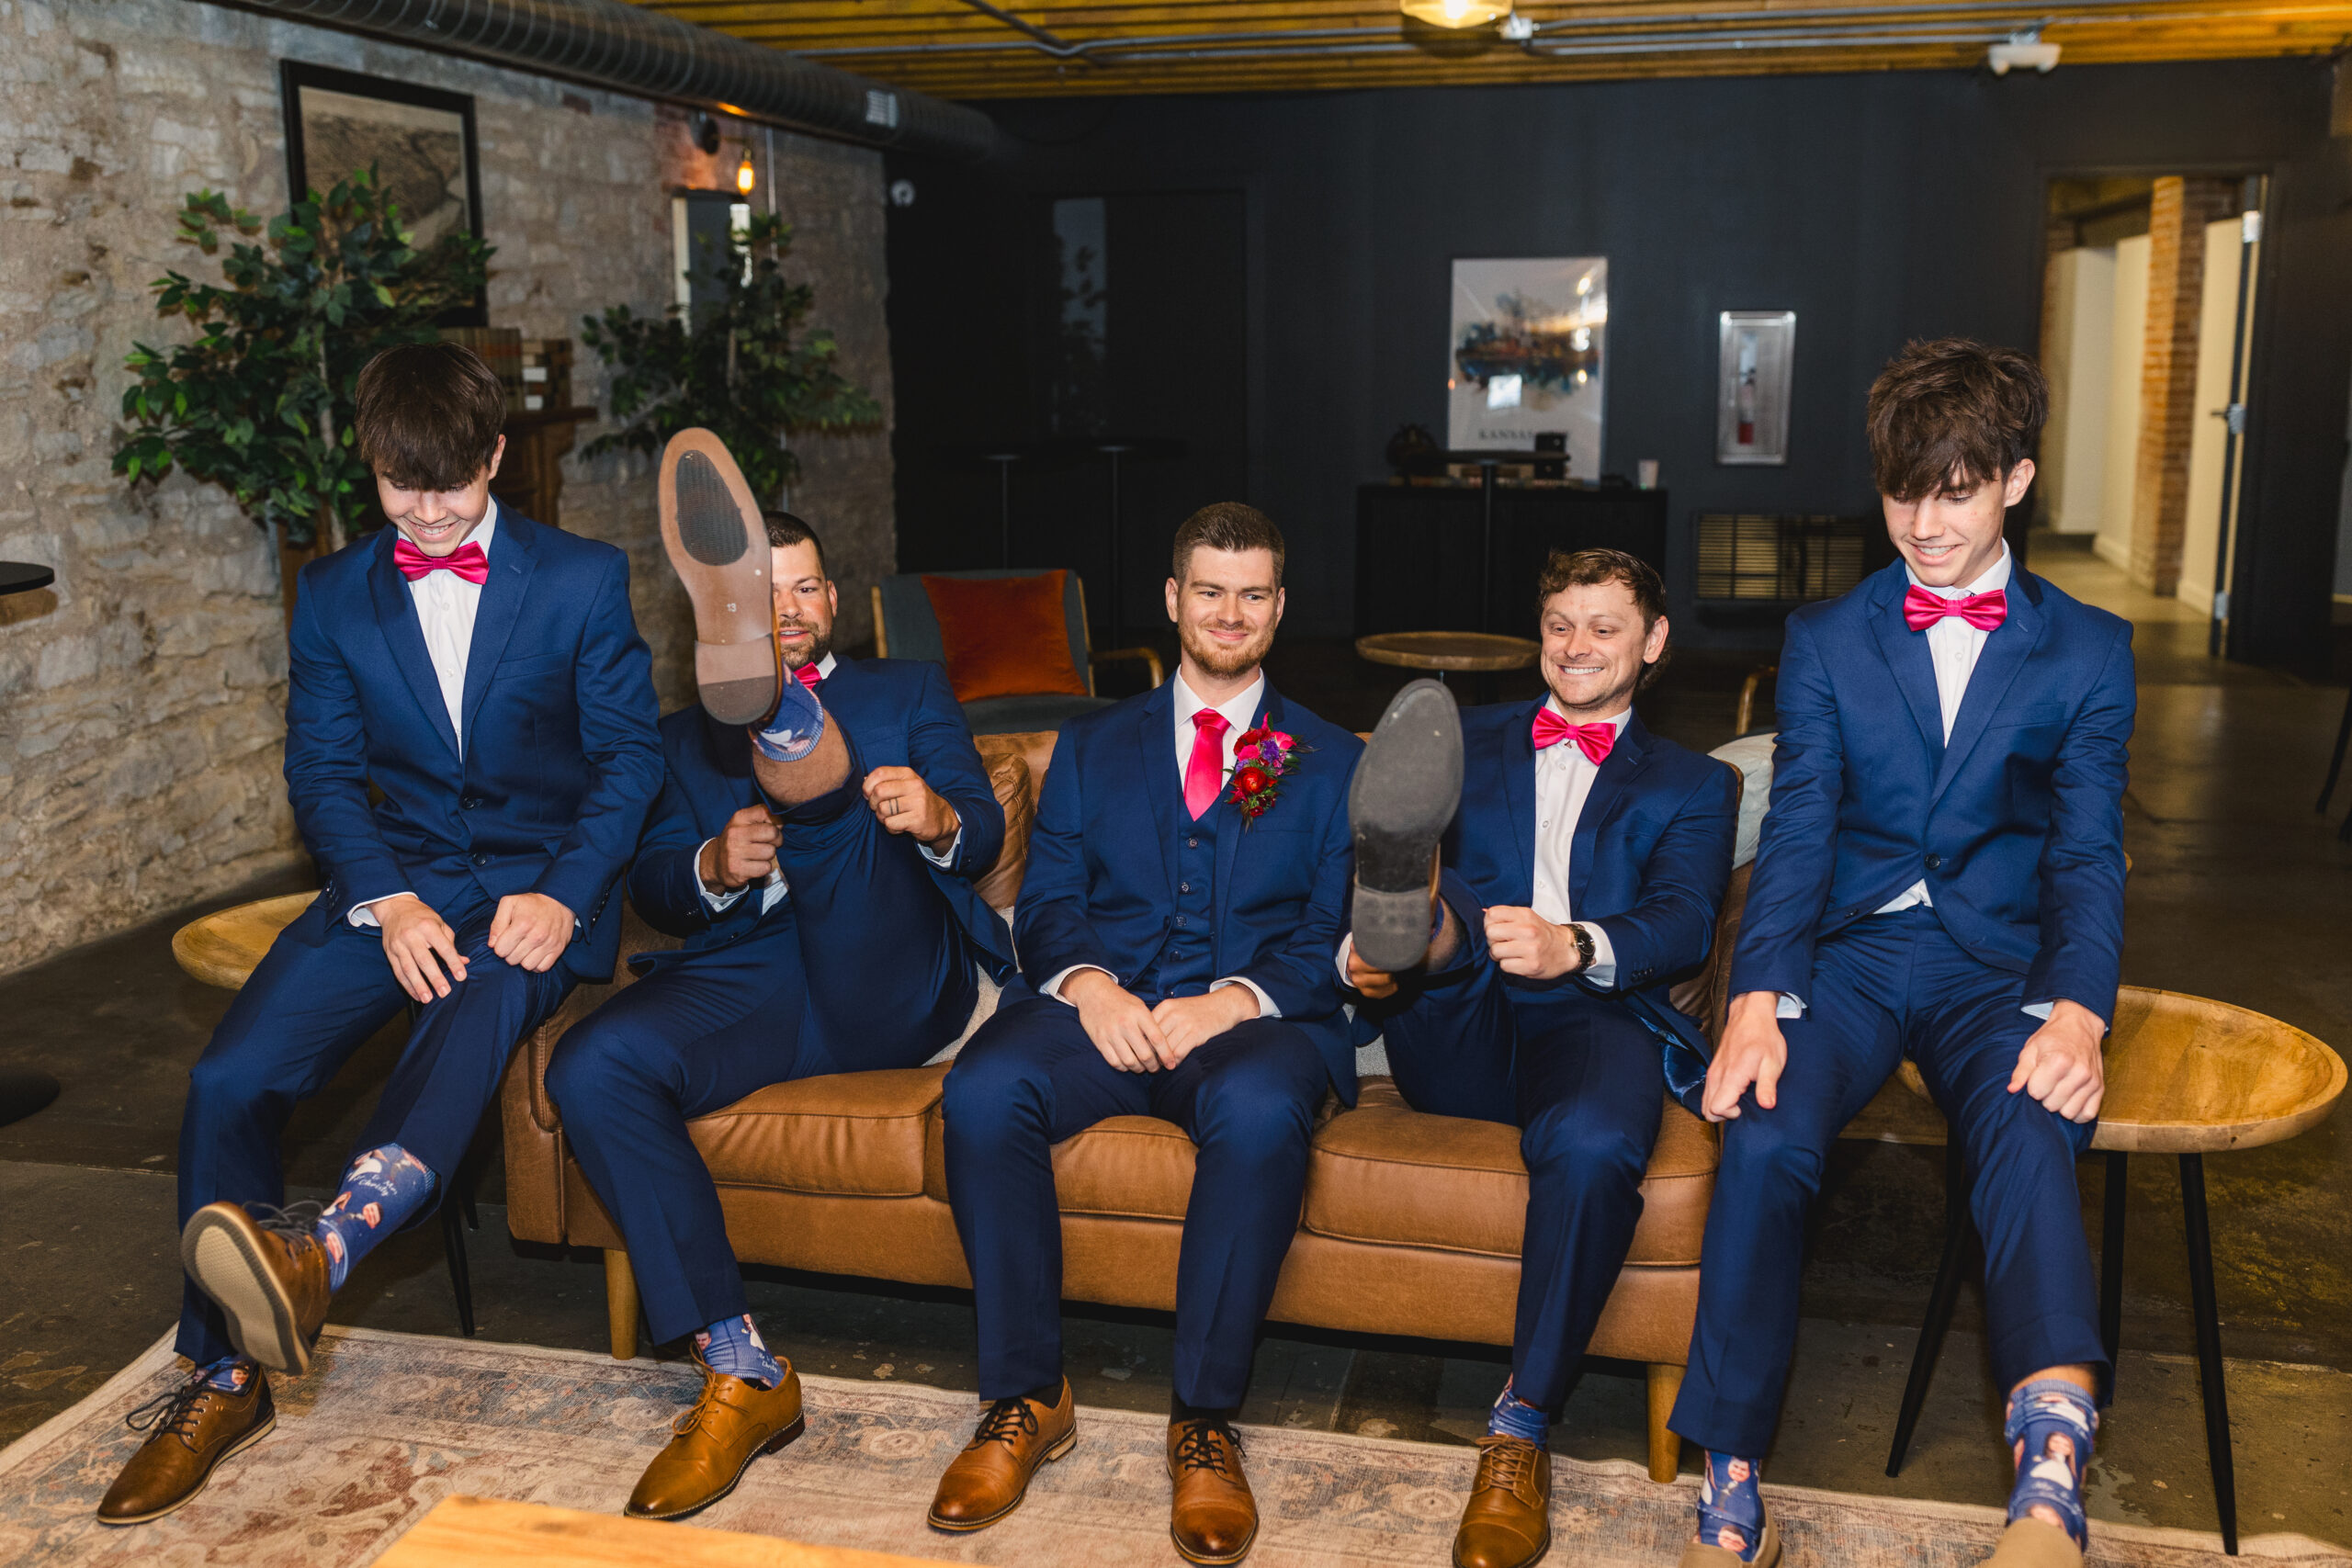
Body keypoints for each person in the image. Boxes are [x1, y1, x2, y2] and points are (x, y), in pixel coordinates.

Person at [99, 342, 664, 1526]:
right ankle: (223, 1371)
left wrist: (564, 889)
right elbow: (322, 773)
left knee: (475, 1007)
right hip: (391, 882)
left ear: (496, 458)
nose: (431, 512)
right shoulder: (333, 593)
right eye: (404, 491)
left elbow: (629, 758)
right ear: (373, 471)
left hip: (532, 891)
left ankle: (334, 1242)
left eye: (450, 488)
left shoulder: (580, 578)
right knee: (229, 1076)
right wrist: (392, 900)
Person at [1668, 339, 2133, 1568]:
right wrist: (1758, 995)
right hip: (1854, 950)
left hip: (1997, 963)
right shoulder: (1828, 635)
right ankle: (1729, 1471)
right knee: (1763, 1126)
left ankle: (2048, 1481)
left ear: (2017, 480)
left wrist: (2080, 1009)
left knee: (2032, 1125)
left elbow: (2088, 852)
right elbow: (1803, 819)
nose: (1924, 524)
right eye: (1903, 491)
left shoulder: (2089, 650)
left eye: (1958, 489)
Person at [547, 498, 1016, 1520]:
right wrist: (712, 864)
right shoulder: (677, 743)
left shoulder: (907, 689)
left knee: (835, 817)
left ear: (833, 602)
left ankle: (800, 749)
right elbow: (654, 889)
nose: (789, 605)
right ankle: (739, 1366)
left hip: (893, 967)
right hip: (761, 973)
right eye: (761, 592)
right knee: (590, 1064)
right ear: (729, 610)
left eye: (804, 587)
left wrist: (937, 816)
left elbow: (981, 834)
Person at [927, 503, 1362, 1566]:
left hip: (1248, 1027)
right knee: (985, 1089)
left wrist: (1236, 1000)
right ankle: (1025, 1398)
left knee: (1261, 1111)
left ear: (1279, 607)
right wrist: (1089, 988)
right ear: (1173, 600)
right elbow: (1051, 901)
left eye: (1252, 593)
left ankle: (1204, 1422)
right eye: (1208, 591)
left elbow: (1331, 931)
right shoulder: (1090, 745)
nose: (1229, 612)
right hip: (1105, 1014)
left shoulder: (1336, 757)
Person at [1341, 549, 1738, 1568]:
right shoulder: (1461, 742)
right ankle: (1406, 921)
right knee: (1447, 926)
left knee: (1600, 1140)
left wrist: (1577, 945)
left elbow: (1683, 923)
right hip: (1460, 1002)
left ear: (1651, 644)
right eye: (1560, 623)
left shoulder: (1696, 784)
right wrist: (1418, 944)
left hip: (1591, 1011)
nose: (1575, 646)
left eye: (1603, 626)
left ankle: (1520, 1421)